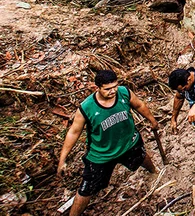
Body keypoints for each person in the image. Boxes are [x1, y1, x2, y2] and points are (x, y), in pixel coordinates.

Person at [57, 70, 159, 216]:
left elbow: (139, 105)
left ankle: (154, 173)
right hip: (101, 155)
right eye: (108, 89)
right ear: (97, 87)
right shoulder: (87, 108)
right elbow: (73, 132)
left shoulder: (124, 93)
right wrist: (62, 159)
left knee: (142, 157)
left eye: (115, 86)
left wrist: (152, 120)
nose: (113, 91)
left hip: (129, 142)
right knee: (87, 189)